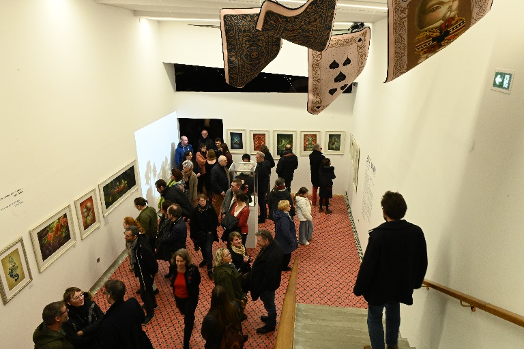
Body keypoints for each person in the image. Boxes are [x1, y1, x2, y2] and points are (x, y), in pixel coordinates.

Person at [354, 191, 428, 350]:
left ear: (384, 211)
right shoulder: (416, 232)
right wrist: (415, 283)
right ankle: (393, 345)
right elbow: (423, 261)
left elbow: (368, 265)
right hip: (400, 286)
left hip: (378, 289)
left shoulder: (378, 235)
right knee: (394, 312)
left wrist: (359, 288)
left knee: (374, 318)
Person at [97, 279, 153, 348]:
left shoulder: (107, 323)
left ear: (109, 296)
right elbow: (142, 318)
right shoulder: (133, 303)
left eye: (105, 292)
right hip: (142, 343)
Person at [250, 230, 283, 334]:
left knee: (269, 304)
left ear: (267, 240)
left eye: (259, 241)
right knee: (269, 302)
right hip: (268, 284)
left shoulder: (271, 258)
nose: (257, 243)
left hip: (267, 287)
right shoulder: (272, 245)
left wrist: (260, 288)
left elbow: (269, 278)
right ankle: (270, 317)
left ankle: (270, 324)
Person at [125, 225, 158, 325]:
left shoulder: (142, 247)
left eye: (127, 236)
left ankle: (150, 313)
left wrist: (152, 273)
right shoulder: (137, 243)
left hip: (145, 272)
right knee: (148, 289)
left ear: (135, 236)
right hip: (142, 272)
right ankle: (153, 304)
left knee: (144, 293)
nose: (125, 238)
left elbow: (151, 261)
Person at [171, 249, 201, 350]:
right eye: (177, 261)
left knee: (187, 322)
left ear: (186, 261)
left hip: (190, 299)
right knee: (184, 313)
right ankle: (191, 317)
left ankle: (186, 343)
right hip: (178, 298)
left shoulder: (193, 270)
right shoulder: (173, 268)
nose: (179, 263)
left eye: (181, 261)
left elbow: (197, 281)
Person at [213, 248, 248, 322]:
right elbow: (229, 292)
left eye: (229, 253)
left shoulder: (225, 266)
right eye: (226, 255)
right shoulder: (224, 274)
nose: (229, 256)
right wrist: (235, 304)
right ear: (221, 259)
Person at [189, 194, 218, 280]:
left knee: (208, 249)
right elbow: (193, 224)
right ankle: (205, 259)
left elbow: (215, 221)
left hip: (209, 233)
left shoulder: (210, 209)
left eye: (204, 200)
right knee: (203, 248)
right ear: (198, 201)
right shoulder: (195, 211)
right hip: (199, 234)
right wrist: (193, 235)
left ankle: (209, 269)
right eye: (201, 201)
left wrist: (211, 231)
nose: (203, 202)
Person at [157, 204, 187, 278]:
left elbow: (169, 240)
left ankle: (174, 277)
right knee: (172, 264)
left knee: (174, 264)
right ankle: (171, 273)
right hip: (176, 247)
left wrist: (165, 236)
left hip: (176, 249)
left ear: (171, 215)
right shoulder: (178, 221)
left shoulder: (177, 226)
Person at [273, 200, 298, 271]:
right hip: (284, 240)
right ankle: (284, 267)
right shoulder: (284, 218)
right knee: (286, 254)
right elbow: (286, 231)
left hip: (280, 238)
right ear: (284, 207)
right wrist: (292, 240)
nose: (290, 206)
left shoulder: (280, 215)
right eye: (288, 205)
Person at [255, 151, 271, 223]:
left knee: (261, 201)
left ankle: (262, 217)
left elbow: (259, 175)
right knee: (262, 201)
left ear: (262, 158)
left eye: (257, 158)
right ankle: (263, 214)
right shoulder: (264, 164)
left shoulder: (263, 165)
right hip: (263, 185)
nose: (256, 159)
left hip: (262, 185)